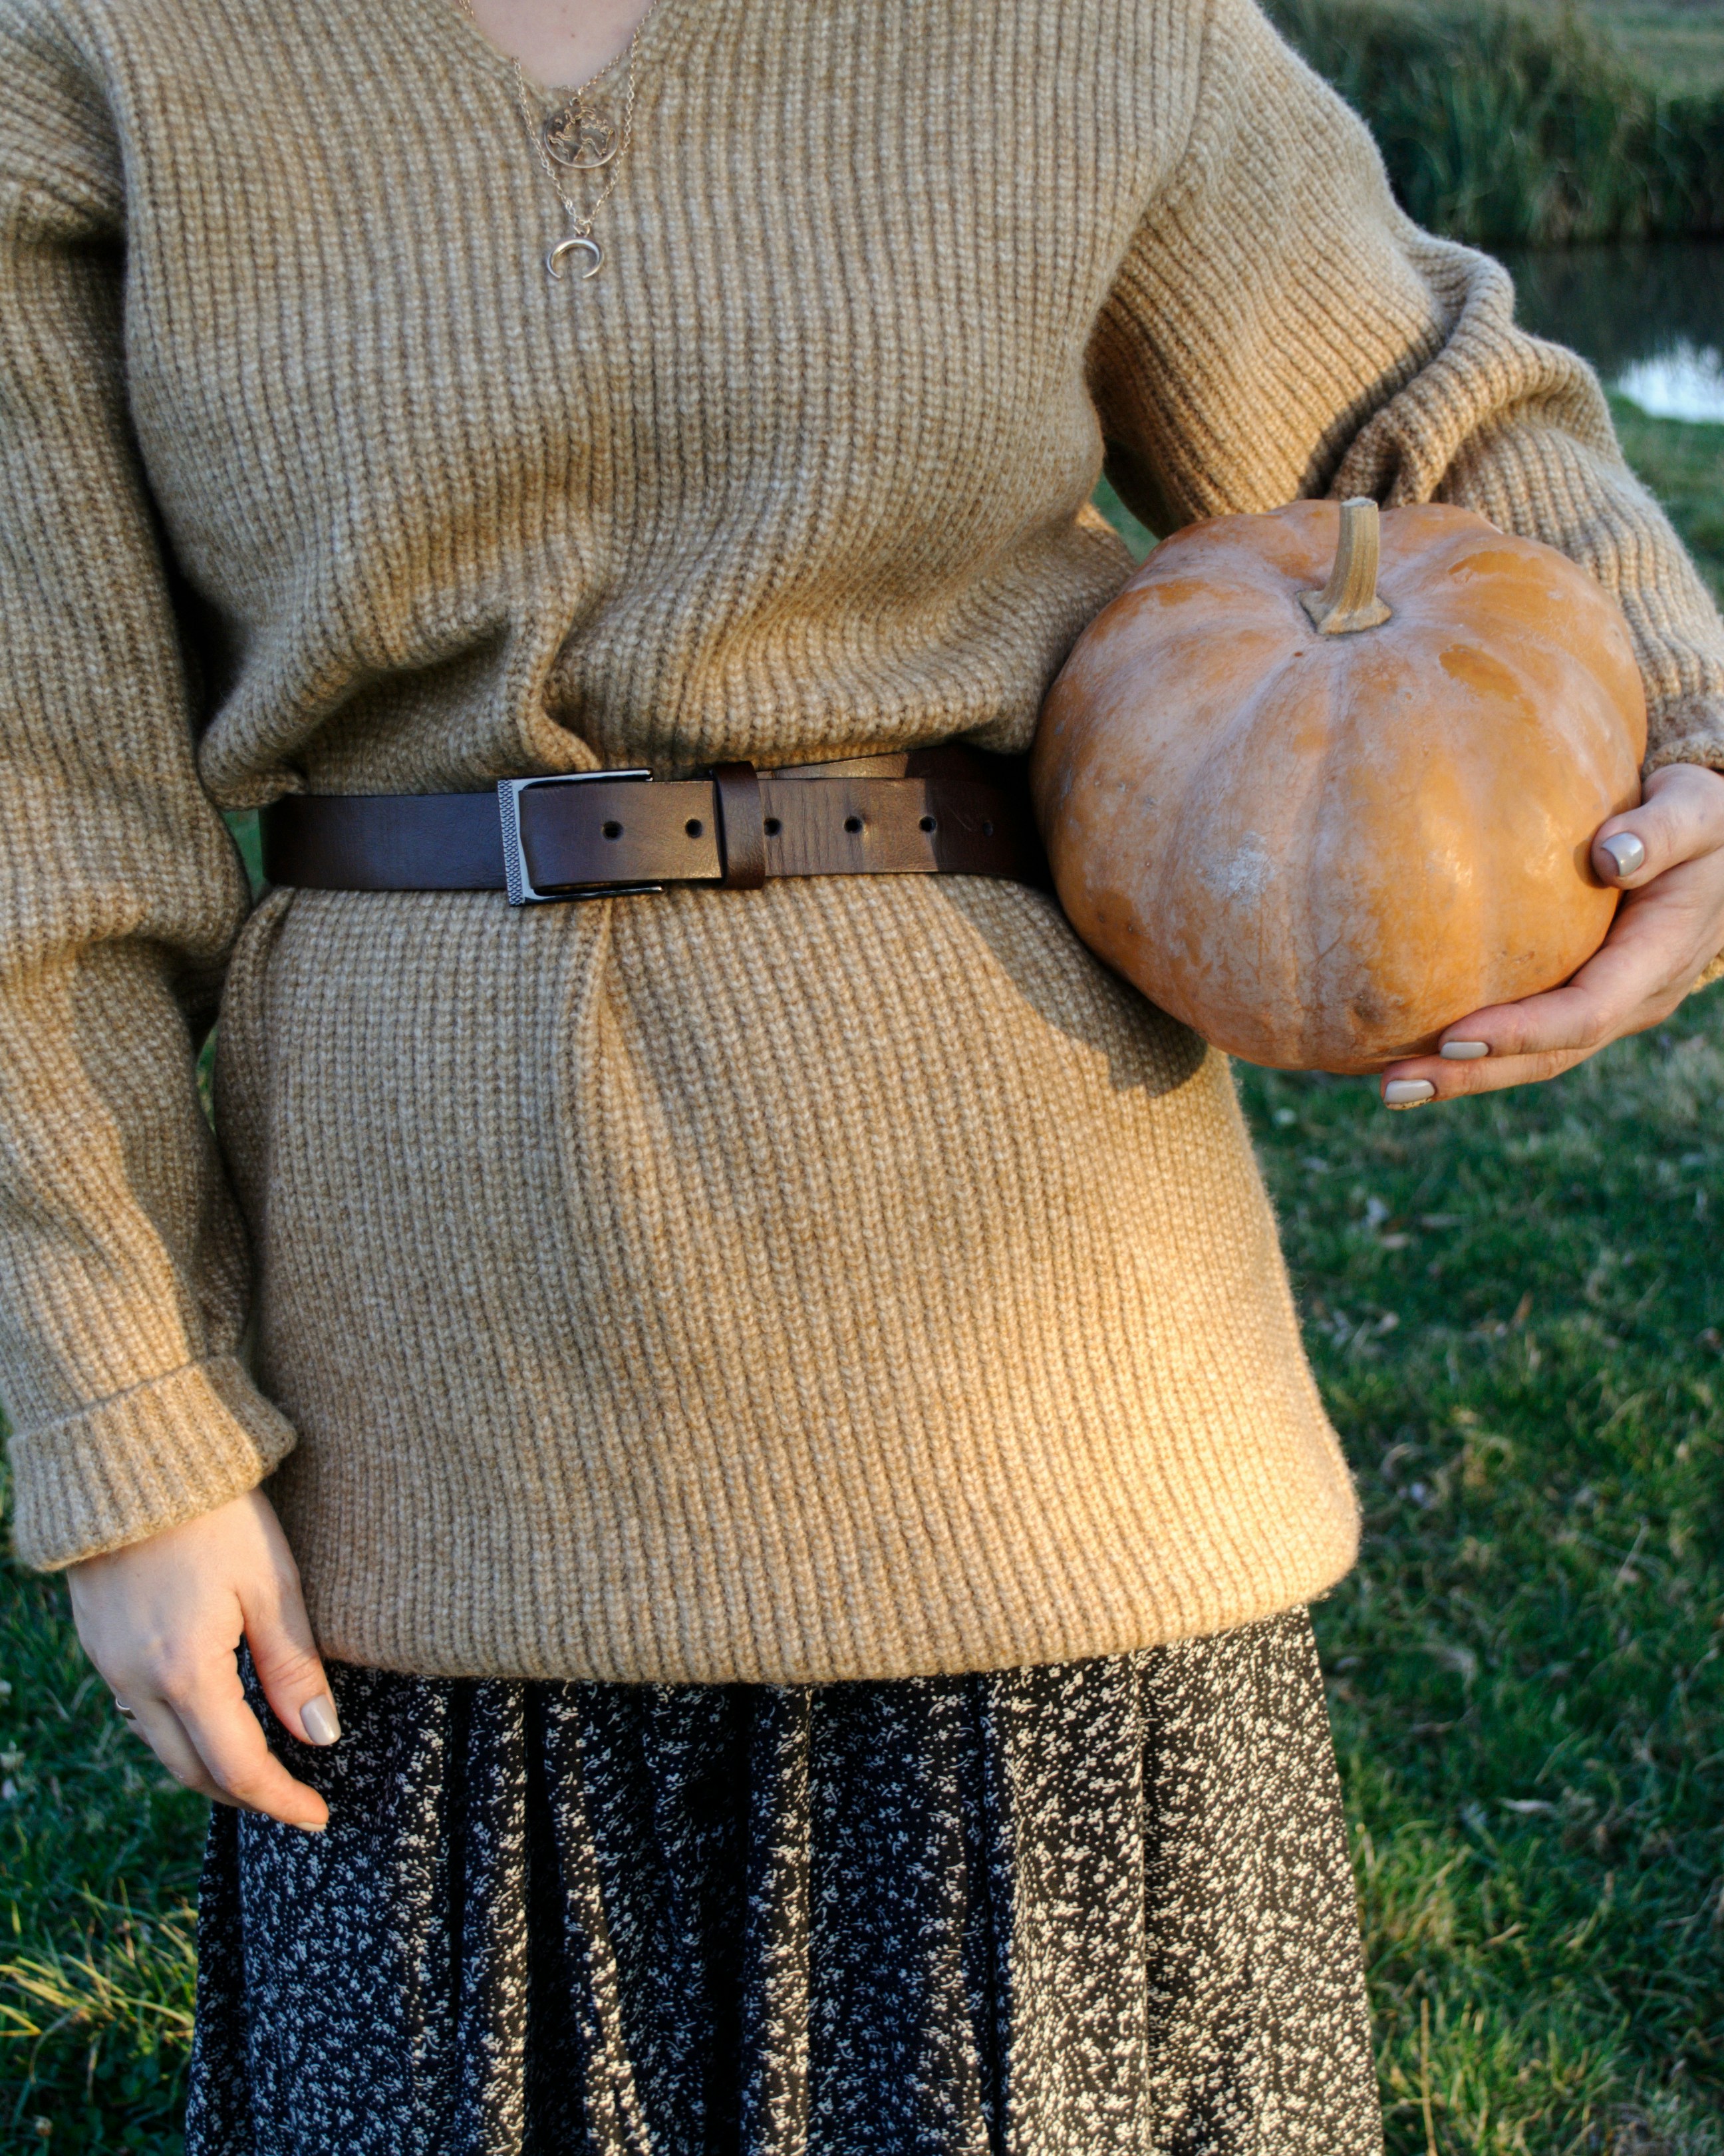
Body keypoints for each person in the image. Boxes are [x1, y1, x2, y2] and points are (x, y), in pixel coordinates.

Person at [1, 0, 1721, 2142]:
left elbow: (1416, 437)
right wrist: (125, 1415)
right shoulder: (90, 49)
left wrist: (1670, 729)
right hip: (427, 1443)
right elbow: (35, 817)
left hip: (1048, 1472)